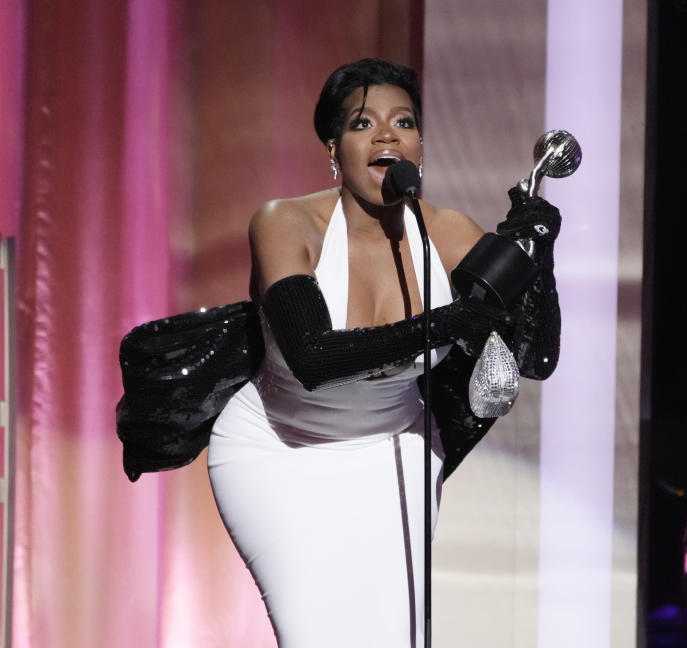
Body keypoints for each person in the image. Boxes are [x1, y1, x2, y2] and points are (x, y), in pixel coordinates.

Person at [206, 58, 561, 648]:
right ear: (333, 148)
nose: (387, 136)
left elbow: (535, 356)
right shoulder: (285, 224)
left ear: (420, 145)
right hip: (278, 448)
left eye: (404, 122)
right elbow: (313, 360)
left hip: (395, 446)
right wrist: (448, 320)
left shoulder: (448, 235)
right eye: (363, 123)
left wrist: (537, 255)